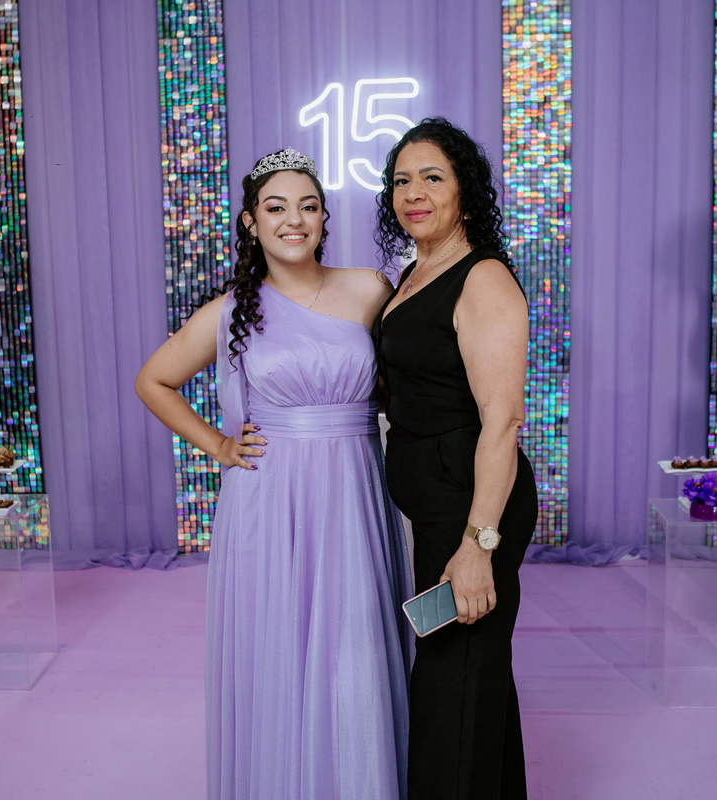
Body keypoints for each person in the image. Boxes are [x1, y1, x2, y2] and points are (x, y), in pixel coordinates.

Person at [135, 148, 411, 800]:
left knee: (355, 650)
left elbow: (413, 376)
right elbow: (154, 381)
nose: (294, 220)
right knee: (280, 652)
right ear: (251, 222)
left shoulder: (371, 289)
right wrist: (219, 444)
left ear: (324, 218)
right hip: (270, 500)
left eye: (308, 207)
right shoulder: (233, 309)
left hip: (354, 492)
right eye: (276, 207)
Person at [371, 119, 538, 800]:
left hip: (474, 506)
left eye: (432, 177)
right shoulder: (416, 274)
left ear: (464, 191)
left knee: (451, 686)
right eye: (401, 180)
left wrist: (477, 546)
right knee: (473, 676)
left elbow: (502, 421)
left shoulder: (483, 278)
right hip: (439, 503)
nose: (413, 193)